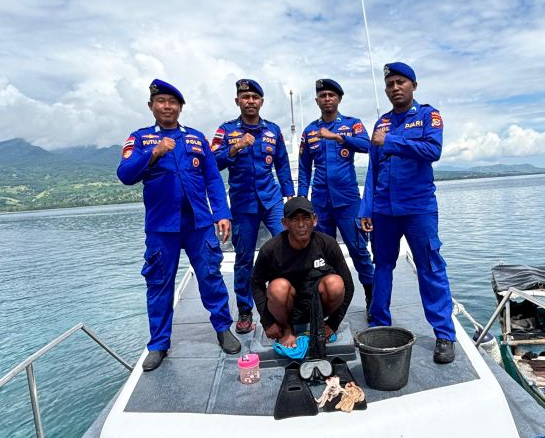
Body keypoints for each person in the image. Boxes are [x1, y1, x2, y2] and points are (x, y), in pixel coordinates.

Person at [117, 79, 242, 372]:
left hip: (199, 224)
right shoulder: (140, 139)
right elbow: (125, 174)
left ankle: (223, 329)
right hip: (162, 227)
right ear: (151, 106)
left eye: (173, 102)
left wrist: (221, 213)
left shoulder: (196, 139)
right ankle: (159, 344)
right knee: (159, 284)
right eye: (161, 101)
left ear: (180, 107)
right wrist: (154, 153)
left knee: (210, 276)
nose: (167, 106)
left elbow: (212, 178)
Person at [359, 62, 457, 364]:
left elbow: (433, 151)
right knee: (383, 265)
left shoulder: (429, 116)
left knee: (430, 266)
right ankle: (378, 324)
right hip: (384, 210)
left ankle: (444, 334)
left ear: (413, 85)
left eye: (401, 82)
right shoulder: (382, 123)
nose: (395, 88)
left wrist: (391, 141)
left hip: (418, 208)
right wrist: (367, 208)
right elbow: (374, 169)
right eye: (390, 84)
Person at [212, 79, 294, 335]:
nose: (250, 101)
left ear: (261, 101)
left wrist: (290, 195)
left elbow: (281, 164)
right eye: (244, 97)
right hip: (242, 204)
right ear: (237, 101)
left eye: (254, 97)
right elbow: (212, 162)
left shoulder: (273, 130)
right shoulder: (226, 131)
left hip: (271, 201)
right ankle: (246, 310)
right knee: (244, 258)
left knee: (287, 249)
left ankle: (292, 302)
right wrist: (235, 147)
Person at [296, 78, 375, 312]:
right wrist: (302, 200)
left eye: (331, 95)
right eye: (323, 95)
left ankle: (372, 298)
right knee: (323, 254)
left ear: (339, 99)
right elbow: (303, 168)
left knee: (359, 251)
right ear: (317, 101)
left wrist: (339, 137)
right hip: (320, 204)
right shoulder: (309, 131)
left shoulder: (352, 124)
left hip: (349, 201)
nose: (327, 99)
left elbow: (368, 145)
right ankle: (330, 302)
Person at [250, 197, 354, 355]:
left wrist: (333, 323)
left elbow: (348, 285)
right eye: (294, 219)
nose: (300, 225)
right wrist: (267, 321)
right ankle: (288, 329)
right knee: (278, 287)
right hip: (286, 309)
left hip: (318, 306)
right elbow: (256, 284)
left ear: (314, 220)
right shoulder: (271, 250)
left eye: (306, 218)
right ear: (284, 223)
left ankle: (318, 324)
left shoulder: (328, 244)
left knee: (336, 283)